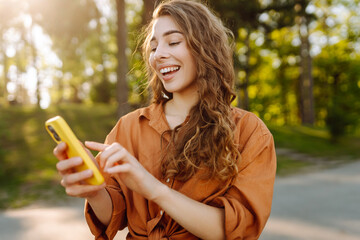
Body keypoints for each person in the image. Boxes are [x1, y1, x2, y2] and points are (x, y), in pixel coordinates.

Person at [53, 0, 276, 239]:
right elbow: (114, 217)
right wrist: (95, 192)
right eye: (154, 47)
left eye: (173, 42)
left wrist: (153, 188)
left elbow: (236, 230)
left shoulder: (251, 132)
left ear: (205, 47)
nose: (158, 55)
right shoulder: (128, 127)